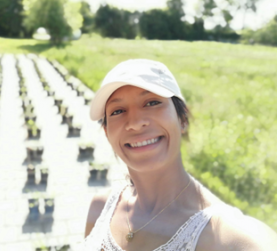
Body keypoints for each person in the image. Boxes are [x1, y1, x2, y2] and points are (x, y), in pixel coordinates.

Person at [83, 59, 277, 250]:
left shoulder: (227, 237)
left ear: (182, 119)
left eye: (151, 102)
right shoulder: (100, 209)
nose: (134, 122)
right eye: (118, 111)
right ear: (107, 133)